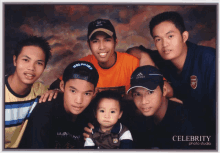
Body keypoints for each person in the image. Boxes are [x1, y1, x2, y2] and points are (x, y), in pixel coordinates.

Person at [148, 11, 216, 148]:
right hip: (183, 135)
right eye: (158, 39)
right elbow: (135, 50)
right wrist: (144, 58)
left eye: (170, 36)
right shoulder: (162, 60)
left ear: (184, 36)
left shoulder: (209, 59)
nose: (164, 44)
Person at [50, 18, 155, 96]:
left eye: (107, 40)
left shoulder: (132, 63)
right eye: (95, 41)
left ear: (115, 42)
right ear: (88, 45)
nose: (101, 47)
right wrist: (56, 91)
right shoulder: (83, 65)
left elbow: (162, 90)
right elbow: (56, 85)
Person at [19, 61, 99, 149]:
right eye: (73, 91)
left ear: (94, 92)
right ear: (62, 86)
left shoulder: (96, 113)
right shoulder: (46, 107)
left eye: (87, 93)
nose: (79, 101)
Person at [126, 65, 194, 149]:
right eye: (138, 94)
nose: (144, 101)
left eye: (150, 92)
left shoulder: (185, 122)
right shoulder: (141, 120)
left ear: (164, 90)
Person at [4, 36, 54, 148]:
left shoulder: (40, 90)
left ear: (44, 67)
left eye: (39, 63)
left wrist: (57, 91)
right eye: (26, 60)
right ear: (15, 60)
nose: (31, 68)